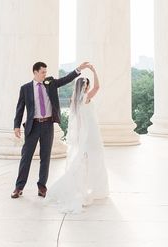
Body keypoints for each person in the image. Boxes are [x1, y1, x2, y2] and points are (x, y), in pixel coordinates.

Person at [11, 60, 90, 199]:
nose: (45, 74)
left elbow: (66, 80)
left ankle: (42, 186)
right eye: (42, 72)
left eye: (46, 72)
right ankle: (19, 187)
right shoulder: (25, 88)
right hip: (32, 126)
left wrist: (78, 69)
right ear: (35, 72)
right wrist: (16, 125)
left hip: (48, 125)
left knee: (45, 157)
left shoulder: (50, 83)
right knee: (26, 157)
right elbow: (20, 108)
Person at [46, 63, 109, 213]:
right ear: (84, 87)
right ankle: (93, 187)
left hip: (84, 133)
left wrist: (80, 136)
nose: (88, 87)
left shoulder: (74, 100)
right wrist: (94, 71)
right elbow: (98, 87)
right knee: (95, 158)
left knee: (84, 160)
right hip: (91, 132)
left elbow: (78, 121)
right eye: (87, 85)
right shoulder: (86, 98)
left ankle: (85, 185)